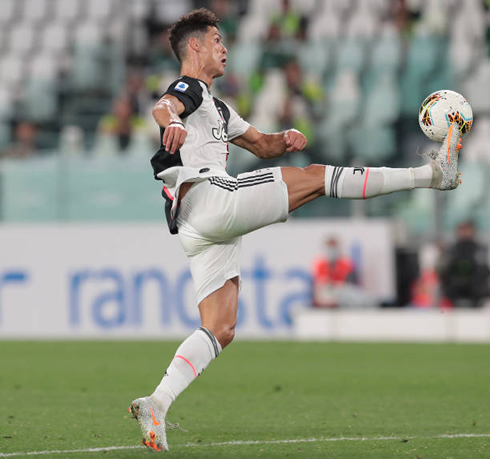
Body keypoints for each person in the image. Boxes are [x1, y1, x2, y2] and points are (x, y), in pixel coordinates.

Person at [128, 8, 463, 452]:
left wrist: (283, 138)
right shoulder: (187, 90)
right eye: (215, 40)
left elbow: (261, 145)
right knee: (318, 177)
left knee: (221, 327)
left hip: (197, 226)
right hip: (210, 195)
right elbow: (164, 104)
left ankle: (157, 402)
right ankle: (431, 176)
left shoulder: (218, 108)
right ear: (194, 46)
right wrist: (169, 120)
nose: (224, 48)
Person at [438, 221, 489, 308]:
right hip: (454, 290)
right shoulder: (451, 250)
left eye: (467, 229)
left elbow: (484, 270)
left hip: (476, 291)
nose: (465, 232)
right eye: (462, 229)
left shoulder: (481, 249)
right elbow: (443, 270)